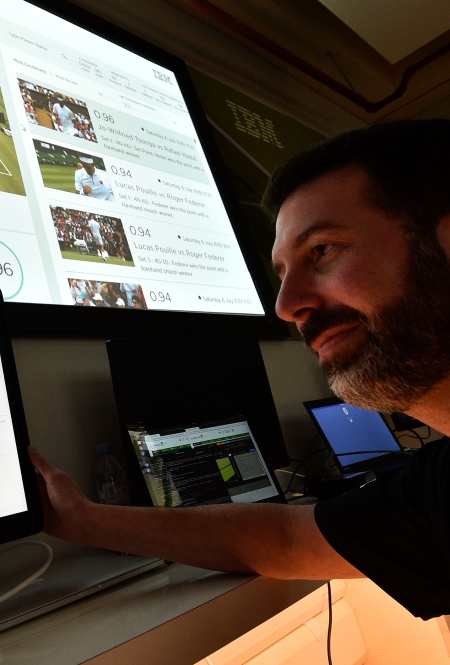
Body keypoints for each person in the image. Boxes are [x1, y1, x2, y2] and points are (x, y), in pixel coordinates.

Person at [29, 120, 450, 621]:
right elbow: (290, 539)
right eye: (283, 274)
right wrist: (85, 520)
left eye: (322, 250)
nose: (287, 305)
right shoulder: (438, 487)